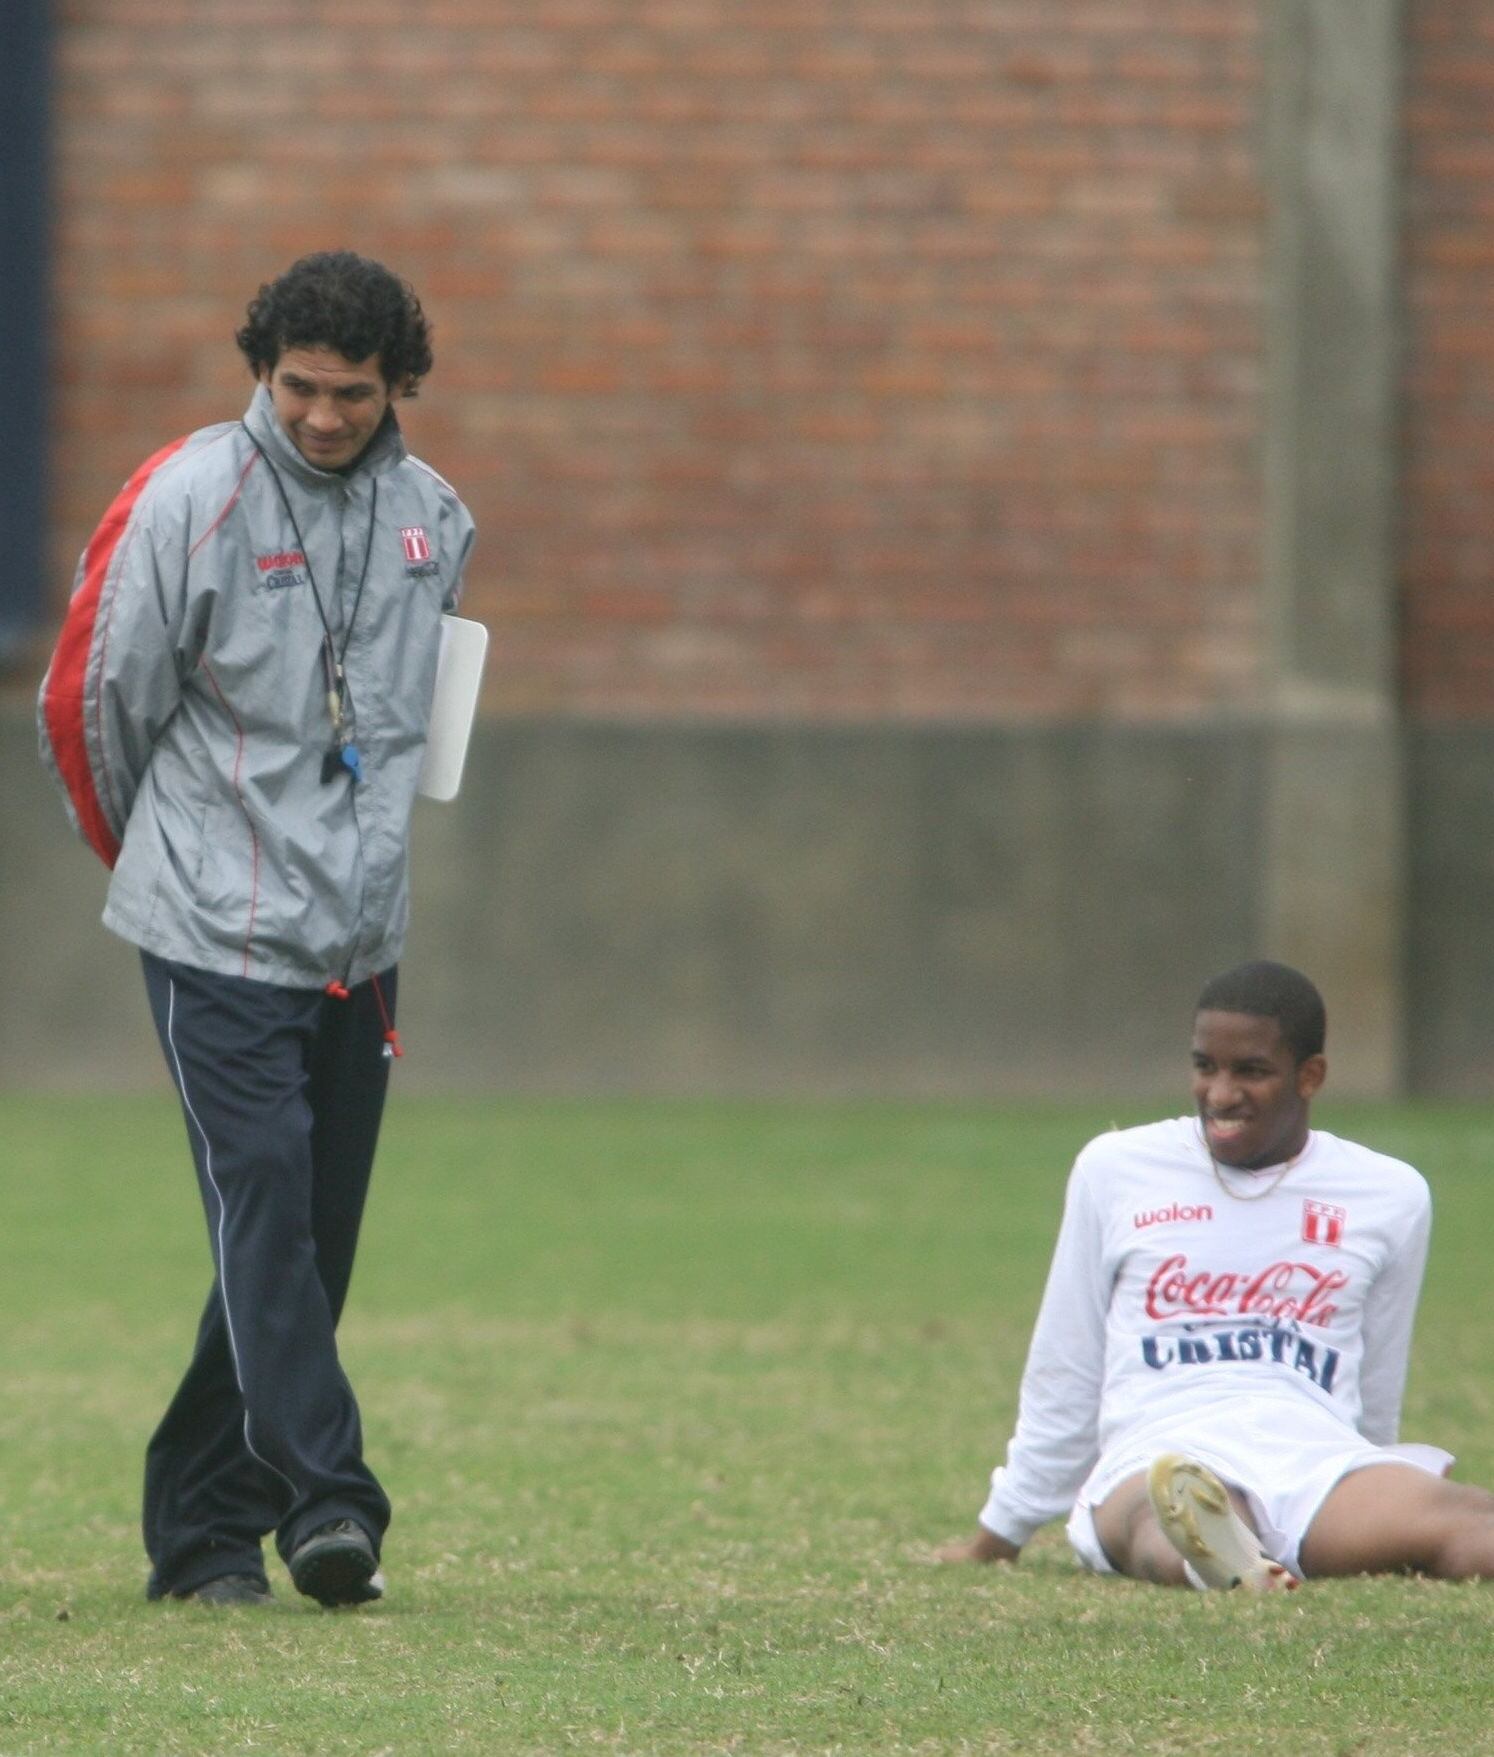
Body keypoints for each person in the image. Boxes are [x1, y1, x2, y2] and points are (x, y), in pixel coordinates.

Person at [38, 250, 475, 1608]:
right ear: (259, 371)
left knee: (304, 1243)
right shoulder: (188, 499)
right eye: (296, 388)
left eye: (351, 392)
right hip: (208, 930)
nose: (322, 417)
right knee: (265, 1204)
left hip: (356, 943)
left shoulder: (436, 518)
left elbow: (417, 727)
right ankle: (330, 1499)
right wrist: (165, 868)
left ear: (396, 385)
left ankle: (199, 1530)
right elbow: (86, 702)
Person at [939, 960, 1494, 1590]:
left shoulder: (1389, 1194)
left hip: (1312, 1464)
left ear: (1309, 1076)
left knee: (1469, 1519)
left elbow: (1375, 1383)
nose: (1221, 1094)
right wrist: (1000, 1533)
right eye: (1206, 1066)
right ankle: (1228, 1563)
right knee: (1167, 1518)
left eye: (1250, 1071)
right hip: (1156, 1457)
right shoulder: (1117, 1170)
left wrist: (1381, 1485)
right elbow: (1066, 1370)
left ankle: (1248, 1556)